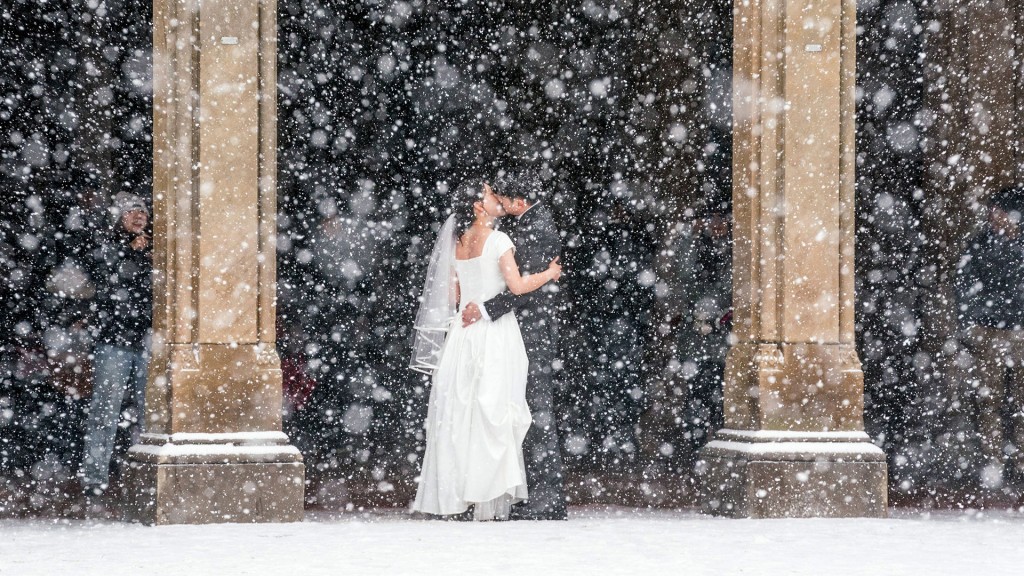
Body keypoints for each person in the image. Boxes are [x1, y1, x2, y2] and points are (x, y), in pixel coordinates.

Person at [411, 181, 562, 521]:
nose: (496, 198)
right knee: (492, 413)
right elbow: (518, 287)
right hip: (494, 334)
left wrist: (473, 301)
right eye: (489, 195)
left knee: (460, 414)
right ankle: (486, 495)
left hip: (462, 334)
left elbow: (454, 296)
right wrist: (549, 273)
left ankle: (458, 495)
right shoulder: (498, 240)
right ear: (479, 207)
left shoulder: (457, 242)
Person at [460, 170, 568, 520]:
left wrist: (485, 309)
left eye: (503, 199)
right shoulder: (523, 223)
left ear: (519, 202)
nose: (499, 203)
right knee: (516, 407)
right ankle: (525, 492)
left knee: (535, 409)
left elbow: (524, 287)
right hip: (515, 329)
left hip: (532, 330)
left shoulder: (539, 227)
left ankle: (547, 498)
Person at [80, 191, 152, 508]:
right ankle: (95, 479)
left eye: (142, 211)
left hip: (147, 340)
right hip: (113, 342)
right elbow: (103, 279)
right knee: (105, 412)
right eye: (130, 212)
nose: (139, 215)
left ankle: (148, 473)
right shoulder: (104, 246)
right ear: (118, 218)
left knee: (150, 413)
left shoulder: (154, 247)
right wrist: (127, 253)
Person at [956, 185, 1024, 489]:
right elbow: (964, 284)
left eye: (999, 211)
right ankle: (993, 462)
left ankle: (1020, 462)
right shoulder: (979, 244)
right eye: (992, 211)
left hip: (1019, 330)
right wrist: (971, 322)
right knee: (989, 400)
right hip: (990, 331)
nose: (993, 216)